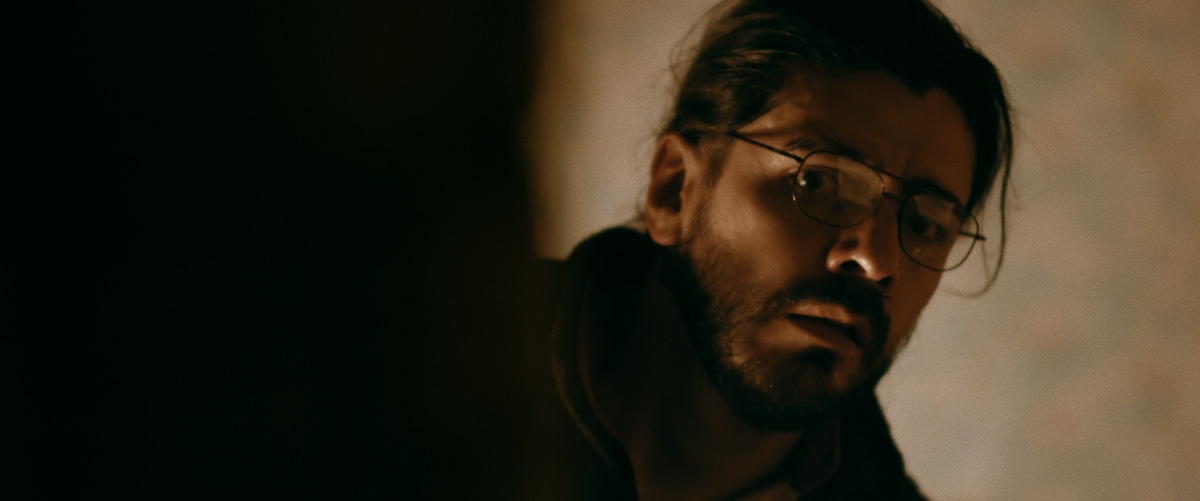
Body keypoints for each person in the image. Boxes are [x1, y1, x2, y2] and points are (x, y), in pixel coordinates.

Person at [541, 0, 1014, 499]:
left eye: (923, 223)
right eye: (817, 182)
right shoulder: (482, 352)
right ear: (674, 191)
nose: (876, 260)